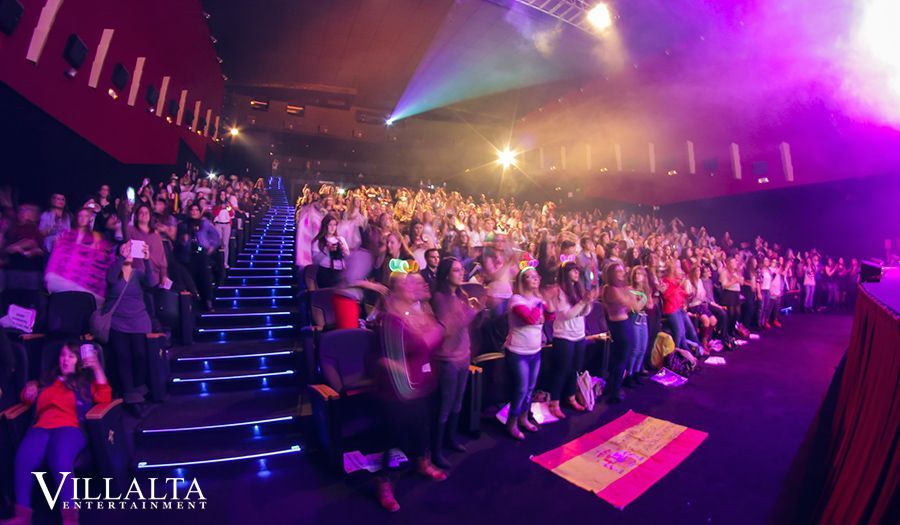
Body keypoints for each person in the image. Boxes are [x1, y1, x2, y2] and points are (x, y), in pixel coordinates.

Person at [10, 341, 111, 525]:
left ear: (79, 361)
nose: (65, 360)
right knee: (23, 458)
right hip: (41, 427)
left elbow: (104, 397)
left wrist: (97, 367)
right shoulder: (46, 381)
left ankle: (70, 519)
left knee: (60, 458)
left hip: (71, 427)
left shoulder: (84, 382)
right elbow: (26, 399)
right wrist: (30, 387)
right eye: (62, 355)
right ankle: (22, 517)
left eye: (71, 356)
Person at [373, 272, 446, 512]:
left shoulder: (420, 311)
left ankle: (422, 462)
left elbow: (433, 342)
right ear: (396, 291)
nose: (414, 286)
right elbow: (384, 357)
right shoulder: (390, 318)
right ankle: (384, 483)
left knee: (422, 426)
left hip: (422, 383)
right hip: (398, 390)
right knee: (392, 437)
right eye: (407, 284)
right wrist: (437, 330)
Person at [430, 257, 479, 468]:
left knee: (458, 401)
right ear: (446, 274)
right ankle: (436, 450)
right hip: (447, 357)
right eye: (456, 270)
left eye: (461, 270)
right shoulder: (439, 297)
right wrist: (473, 311)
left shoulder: (461, 295)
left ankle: (451, 438)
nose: (461, 273)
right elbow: (450, 327)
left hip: (463, 354)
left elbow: (466, 325)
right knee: (445, 404)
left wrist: (477, 311)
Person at [105, 240, 157, 414]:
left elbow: (151, 283)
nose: (128, 251)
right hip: (118, 321)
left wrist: (147, 260)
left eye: (130, 249)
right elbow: (111, 279)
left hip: (138, 320)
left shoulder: (138, 273)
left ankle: (138, 391)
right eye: (124, 248)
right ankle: (131, 397)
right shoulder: (114, 270)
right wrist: (121, 257)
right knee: (123, 357)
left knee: (140, 355)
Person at [504, 266, 553, 440]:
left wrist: (548, 302)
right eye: (530, 277)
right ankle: (511, 422)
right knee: (521, 389)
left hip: (535, 350)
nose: (535, 279)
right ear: (521, 281)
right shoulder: (516, 299)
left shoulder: (537, 300)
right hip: (518, 351)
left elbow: (550, 317)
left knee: (530, 388)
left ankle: (524, 418)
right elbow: (531, 319)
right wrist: (541, 302)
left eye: (536, 276)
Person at [547, 261, 594, 418]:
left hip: (579, 335)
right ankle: (554, 402)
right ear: (565, 273)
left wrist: (588, 303)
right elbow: (566, 315)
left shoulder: (577, 289)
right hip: (564, 336)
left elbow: (583, 313)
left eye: (577, 271)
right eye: (573, 271)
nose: (576, 273)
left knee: (575, 369)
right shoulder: (559, 291)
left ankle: (571, 397)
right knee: (561, 370)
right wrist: (583, 302)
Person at [602, 262, 636, 403]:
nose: (622, 274)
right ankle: (615, 390)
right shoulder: (610, 289)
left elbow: (632, 305)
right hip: (619, 326)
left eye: (622, 271)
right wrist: (629, 294)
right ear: (612, 274)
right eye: (618, 271)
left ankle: (612, 386)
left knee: (619, 358)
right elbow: (630, 304)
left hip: (623, 323)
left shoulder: (622, 288)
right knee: (621, 358)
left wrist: (629, 295)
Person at [176, 203, 219, 311]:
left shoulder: (205, 223)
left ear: (200, 212)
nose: (194, 212)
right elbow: (177, 240)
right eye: (192, 210)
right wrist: (183, 241)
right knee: (191, 280)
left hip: (202, 254)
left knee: (205, 278)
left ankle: (208, 302)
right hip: (188, 255)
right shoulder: (183, 224)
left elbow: (216, 236)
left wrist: (211, 247)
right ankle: (194, 304)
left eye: (196, 210)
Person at [625, 266, 651, 386]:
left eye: (640, 274)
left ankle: (636, 372)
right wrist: (644, 297)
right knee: (635, 348)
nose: (637, 276)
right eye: (635, 274)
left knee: (643, 348)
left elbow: (650, 306)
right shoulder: (630, 290)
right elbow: (635, 308)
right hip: (634, 319)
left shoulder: (645, 290)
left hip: (643, 319)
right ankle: (629, 375)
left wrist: (645, 296)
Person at [311, 215, 350, 289]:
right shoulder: (318, 241)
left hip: (340, 272)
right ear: (325, 226)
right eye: (330, 225)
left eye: (334, 225)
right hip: (325, 272)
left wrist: (344, 250)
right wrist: (326, 250)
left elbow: (348, 257)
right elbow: (315, 260)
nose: (332, 227)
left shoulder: (341, 239)